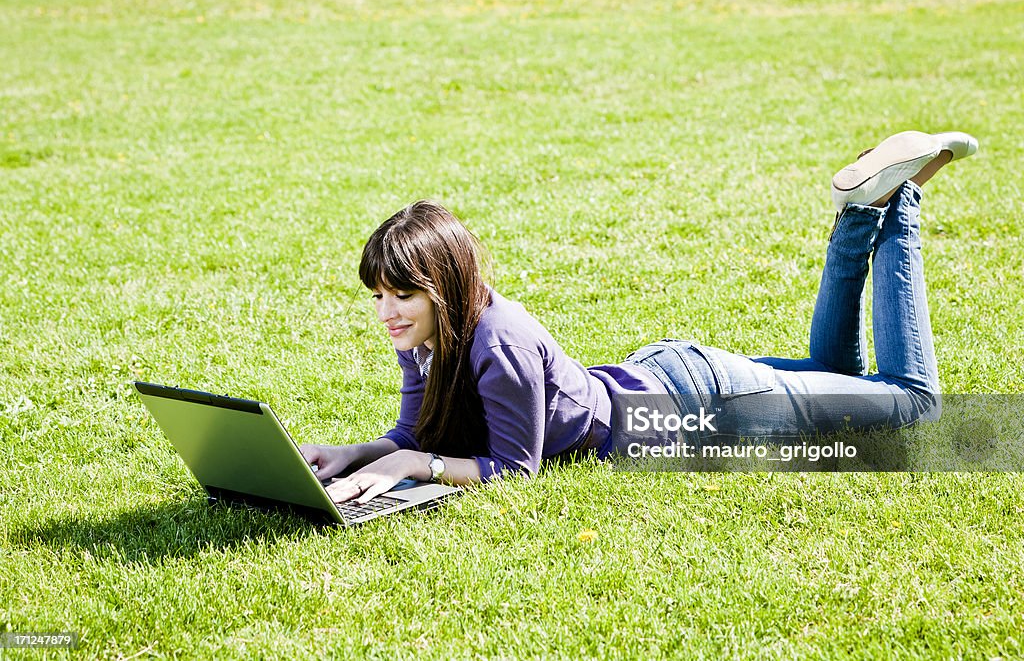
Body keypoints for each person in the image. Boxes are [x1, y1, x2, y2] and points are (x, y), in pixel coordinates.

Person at [300, 130, 978, 503]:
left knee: (913, 401)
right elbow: (411, 429)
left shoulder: (496, 344)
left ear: (441, 287)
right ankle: (859, 211)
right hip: (661, 380)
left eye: (401, 295)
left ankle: (901, 201)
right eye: (380, 296)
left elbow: (515, 469)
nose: (387, 312)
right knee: (837, 375)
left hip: (694, 404)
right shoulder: (427, 332)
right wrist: (354, 456)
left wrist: (419, 464)